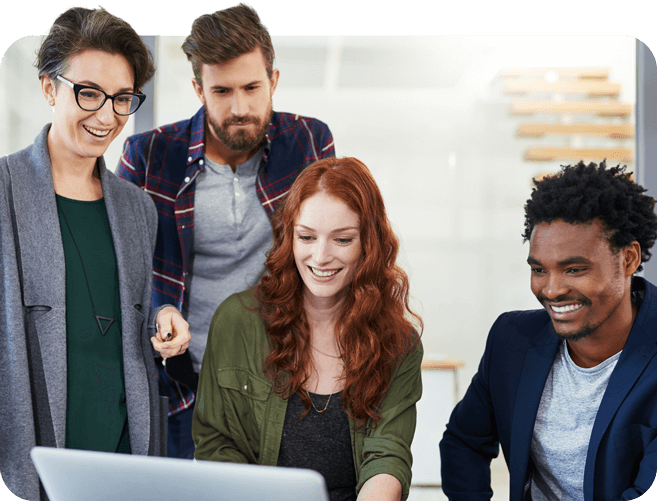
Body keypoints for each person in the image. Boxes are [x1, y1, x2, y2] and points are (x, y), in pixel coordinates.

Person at [116, 3, 335, 459]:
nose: (240, 108)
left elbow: (331, 255)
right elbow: (124, 272)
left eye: (252, 87)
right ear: (198, 89)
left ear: (273, 81)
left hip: (284, 381)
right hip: (180, 386)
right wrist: (160, 313)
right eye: (221, 91)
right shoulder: (149, 156)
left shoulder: (311, 143)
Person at [0, 7, 190, 500]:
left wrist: (162, 319)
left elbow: (120, 313)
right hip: (33, 447)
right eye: (88, 93)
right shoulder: (5, 189)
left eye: (122, 99)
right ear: (49, 88)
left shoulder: (136, 206)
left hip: (123, 451)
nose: (106, 116)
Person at [192, 157, 423, 501]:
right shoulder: (236, 320)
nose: (321, 256)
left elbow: (387, 455)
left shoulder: (398, 342)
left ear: (368, 245)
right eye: (306, 237)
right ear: (289, 237)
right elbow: (216, 445)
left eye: (342, 240)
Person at [439, 161, 657, 501]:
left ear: (628, 259)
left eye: (574, 269)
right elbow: (464, 442)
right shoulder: (511, 340)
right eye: (539, 269)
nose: (552, 290)